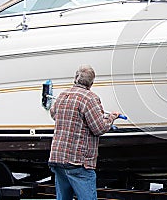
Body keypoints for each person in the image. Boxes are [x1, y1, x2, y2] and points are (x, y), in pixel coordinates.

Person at [48, 65, 120, 200]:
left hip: (58, 158)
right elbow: (99, 128)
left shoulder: (63, 96)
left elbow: (54, 114)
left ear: (75, 78)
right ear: (91, 83)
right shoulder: (90, 99)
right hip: (78, 162)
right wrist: (112, 118)